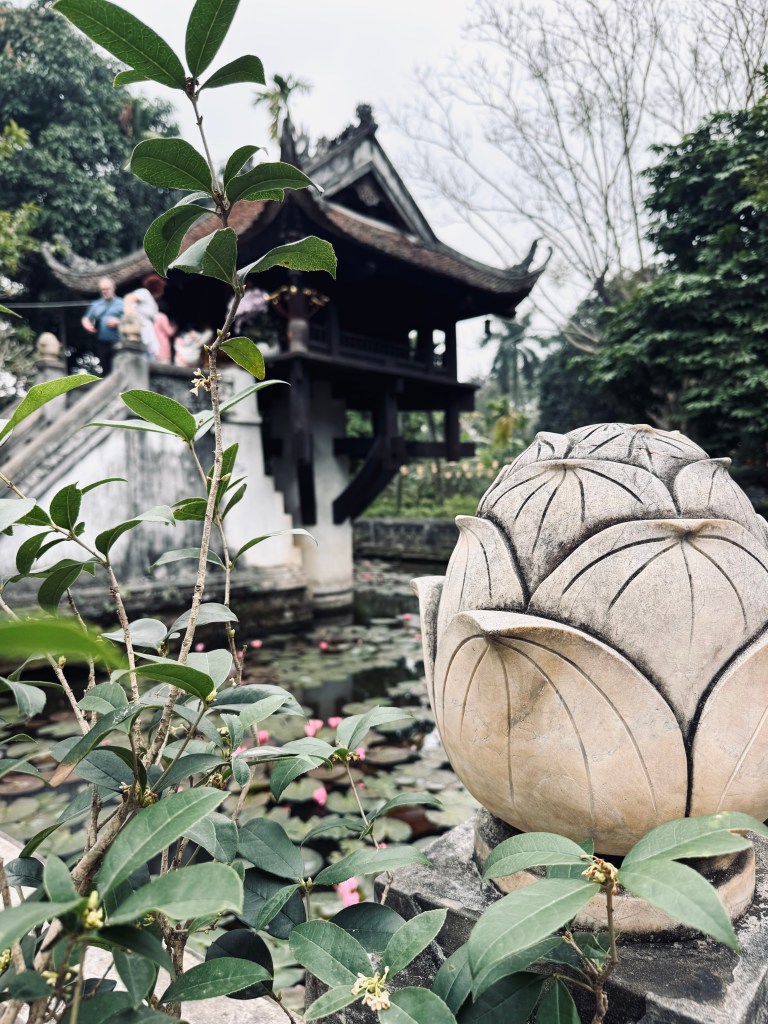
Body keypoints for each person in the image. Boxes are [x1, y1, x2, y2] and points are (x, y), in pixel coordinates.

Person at [81, 276, 124, 375]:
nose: (104, 292)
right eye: (102, 290)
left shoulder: (122, 303)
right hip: (102, 342)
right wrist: (87, 325)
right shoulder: (96, 304)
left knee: (118, 368)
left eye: (107, 289)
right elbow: (86, 318)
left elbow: (132, 319)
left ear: (113, 289)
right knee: (105, 369)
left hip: (118, 341)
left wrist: (118, 322)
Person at [124, 273, 165, 360]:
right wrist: (130, 315)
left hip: (149, 335)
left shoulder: (154, 304)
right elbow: (129, 298)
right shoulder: (144, 293)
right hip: (140, 332)